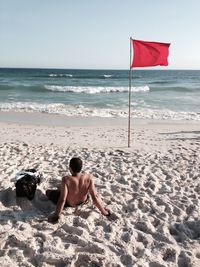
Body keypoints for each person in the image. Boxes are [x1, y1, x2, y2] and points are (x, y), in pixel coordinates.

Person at [46, 157, 110, 223]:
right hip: (83, 201)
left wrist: (56, 216)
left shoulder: (66, 179)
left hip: (69, 203)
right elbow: (94, 197)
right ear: (81, 167)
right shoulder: (88, 178)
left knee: (48, 192)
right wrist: (104, 212)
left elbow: (62, 199)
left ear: (70, 168)